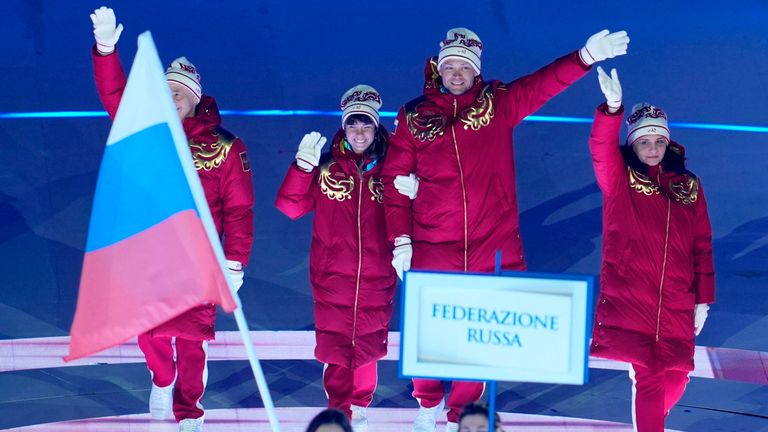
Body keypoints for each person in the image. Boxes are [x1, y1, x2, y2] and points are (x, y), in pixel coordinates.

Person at [381, 27, 629, 432]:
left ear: (475, 70)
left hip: (489, 244)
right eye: (451, 66)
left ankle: (460, 415)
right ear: (438, 69)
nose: (457, 73)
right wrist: (401, 240)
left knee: (475, 339)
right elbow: (394, 181)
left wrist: (584, 56)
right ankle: (427, 407)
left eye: (464, 66)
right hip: (432, 243)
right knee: (429, 333)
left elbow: (542, 84)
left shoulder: (496, 104)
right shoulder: (413, 116)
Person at [89, 7, 254, 432]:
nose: (170, 99)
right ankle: (162, 377)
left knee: (193, 338)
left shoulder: (226, 148)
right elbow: (114, 95)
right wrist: (106, 50)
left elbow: (238, 209)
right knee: (150, 334)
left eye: (178, 93)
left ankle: (189, 411)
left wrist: (235, 261)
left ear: (195, 98)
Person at [275, 85, 416, 432]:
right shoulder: (325, 169)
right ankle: (339, 412)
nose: (359, 133)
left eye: (366, 125)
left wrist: (419, 190)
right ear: (343, 127)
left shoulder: (394, 167)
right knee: (337, 349)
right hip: (332, 276)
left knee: (367, 347)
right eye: (353, 126)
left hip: (377, 273)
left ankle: (361, 407)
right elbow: (290, 207)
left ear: (375, 126)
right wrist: (301, 168)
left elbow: (419, 210)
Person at [588, 66, 715, 432]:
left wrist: (702, 298)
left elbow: (702, 243)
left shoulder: (689, 186)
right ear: (632, 144)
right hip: (633, 296)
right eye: (644, 142)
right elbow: (600, 149)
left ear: (668, 141)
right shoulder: (619, 180)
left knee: (676, 378)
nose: (653, 149)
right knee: (651, 376)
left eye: (659, 141)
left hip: (676, 298)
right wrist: (612, 109)